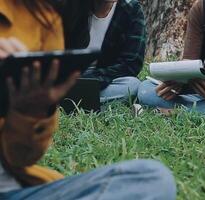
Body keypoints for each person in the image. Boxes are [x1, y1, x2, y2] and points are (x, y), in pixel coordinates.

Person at [0, 1, 176, 199]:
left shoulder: (46, 20)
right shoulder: (77, 9)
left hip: (104, 81)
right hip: (78, 81)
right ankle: (74, 94)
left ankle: (73, 94)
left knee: (152, 179)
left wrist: (30, 111)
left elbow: (130, 63)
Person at [60, 0, 146, 103]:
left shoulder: (131, 9)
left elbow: (131, 64)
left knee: (132, 86)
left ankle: (69, 99)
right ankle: (78, 99)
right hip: (69, 78)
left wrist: (89, 79)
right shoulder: (72, 6)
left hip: (104, 78)